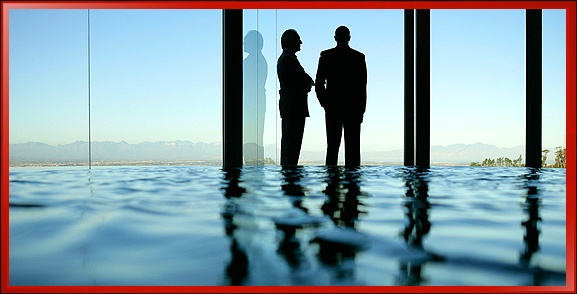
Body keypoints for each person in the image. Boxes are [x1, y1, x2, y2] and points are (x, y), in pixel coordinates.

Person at [315, 26, 367, 166]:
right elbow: (362, 87)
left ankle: (331, 184)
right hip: (353, 109)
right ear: (349, 38)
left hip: (333, 108)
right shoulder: (359, 57)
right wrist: (361, 110)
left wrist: (325, 104)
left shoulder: (326, 55)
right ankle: (353, 185)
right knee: (353, 149)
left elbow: (319, 84)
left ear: (335, 38)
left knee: (332, 147)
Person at [277, 29, 314, 165]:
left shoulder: (287, 58)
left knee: (291, 144)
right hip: (293, 107)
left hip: (291, 107)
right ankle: (289, 177)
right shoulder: (288, 59)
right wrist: (308, 82)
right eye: (298, 39)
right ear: (290, 41)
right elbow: (302, 80)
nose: (301, 42)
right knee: (292, 144)